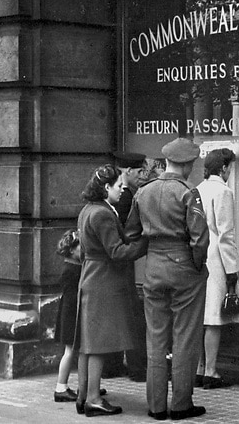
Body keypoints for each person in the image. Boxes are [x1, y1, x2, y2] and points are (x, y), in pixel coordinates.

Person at [125, 137, 209, 421]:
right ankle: (181, 404)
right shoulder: (188, 192)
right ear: (186, 164)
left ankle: (156, 406)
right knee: (185, 337)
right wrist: (196, 266)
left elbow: (131, 233)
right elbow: (199, 239)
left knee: (156, 339)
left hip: (154, 268)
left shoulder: (144, 191)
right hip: (184, 268)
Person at [74, 164, 148, 417]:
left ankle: (84, 394)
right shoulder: (103, 214)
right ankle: (94, 398)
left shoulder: (88, 210)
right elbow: (117, 252)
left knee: (87, 342)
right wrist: (144, 244)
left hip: (91, 277)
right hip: (104, 281)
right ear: (106, 187)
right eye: (119, 185)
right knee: (98, 343)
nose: (123, 189)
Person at [195, 148, 239, 389]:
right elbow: (226, 235)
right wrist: (232, 269)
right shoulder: (223, 192)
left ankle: (199, 368)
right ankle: (211, 372)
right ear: (223, 168)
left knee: (201, 316)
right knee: (214, 317)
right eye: (229, 168)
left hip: (198, 255)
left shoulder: (197, 190)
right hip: (216, 258)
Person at [101, 151, 147, 382]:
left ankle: (111, 366)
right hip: (121, 266)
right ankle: (139, 369)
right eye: (139, 172)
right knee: (132, 317)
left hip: (108, 269)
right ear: (127, 171)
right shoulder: (127, 197)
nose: (142, 176)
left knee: (115, 317)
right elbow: (125, 236)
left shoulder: (108, 200)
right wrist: (142, 246)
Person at [53, 229, 82, 402]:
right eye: (80, 247)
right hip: (72, 315)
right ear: (72, 249)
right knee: (69, 351)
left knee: (71, 351)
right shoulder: (72, 269)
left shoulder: (70, 266)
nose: (83, 250)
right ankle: (60, 387)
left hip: (69, 313)